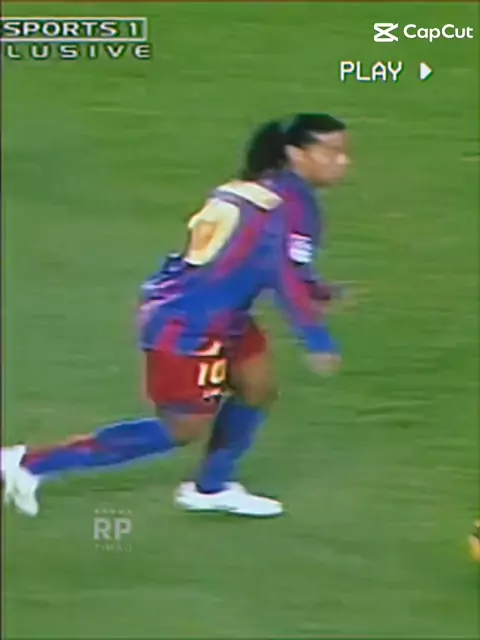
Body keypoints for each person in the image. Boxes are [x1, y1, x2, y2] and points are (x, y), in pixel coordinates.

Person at [2, 113, 350, 518]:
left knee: (257, 387)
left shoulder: (255, 191)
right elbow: (284, 276)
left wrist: (319, 291)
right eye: (331, 152)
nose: (343, 161)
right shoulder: (292, 207)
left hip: (218, 312)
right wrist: (317, 338)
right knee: (182, 428)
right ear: (296, 154)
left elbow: (270, 264)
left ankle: (211, 487)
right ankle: (30, 463)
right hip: (189, 324)